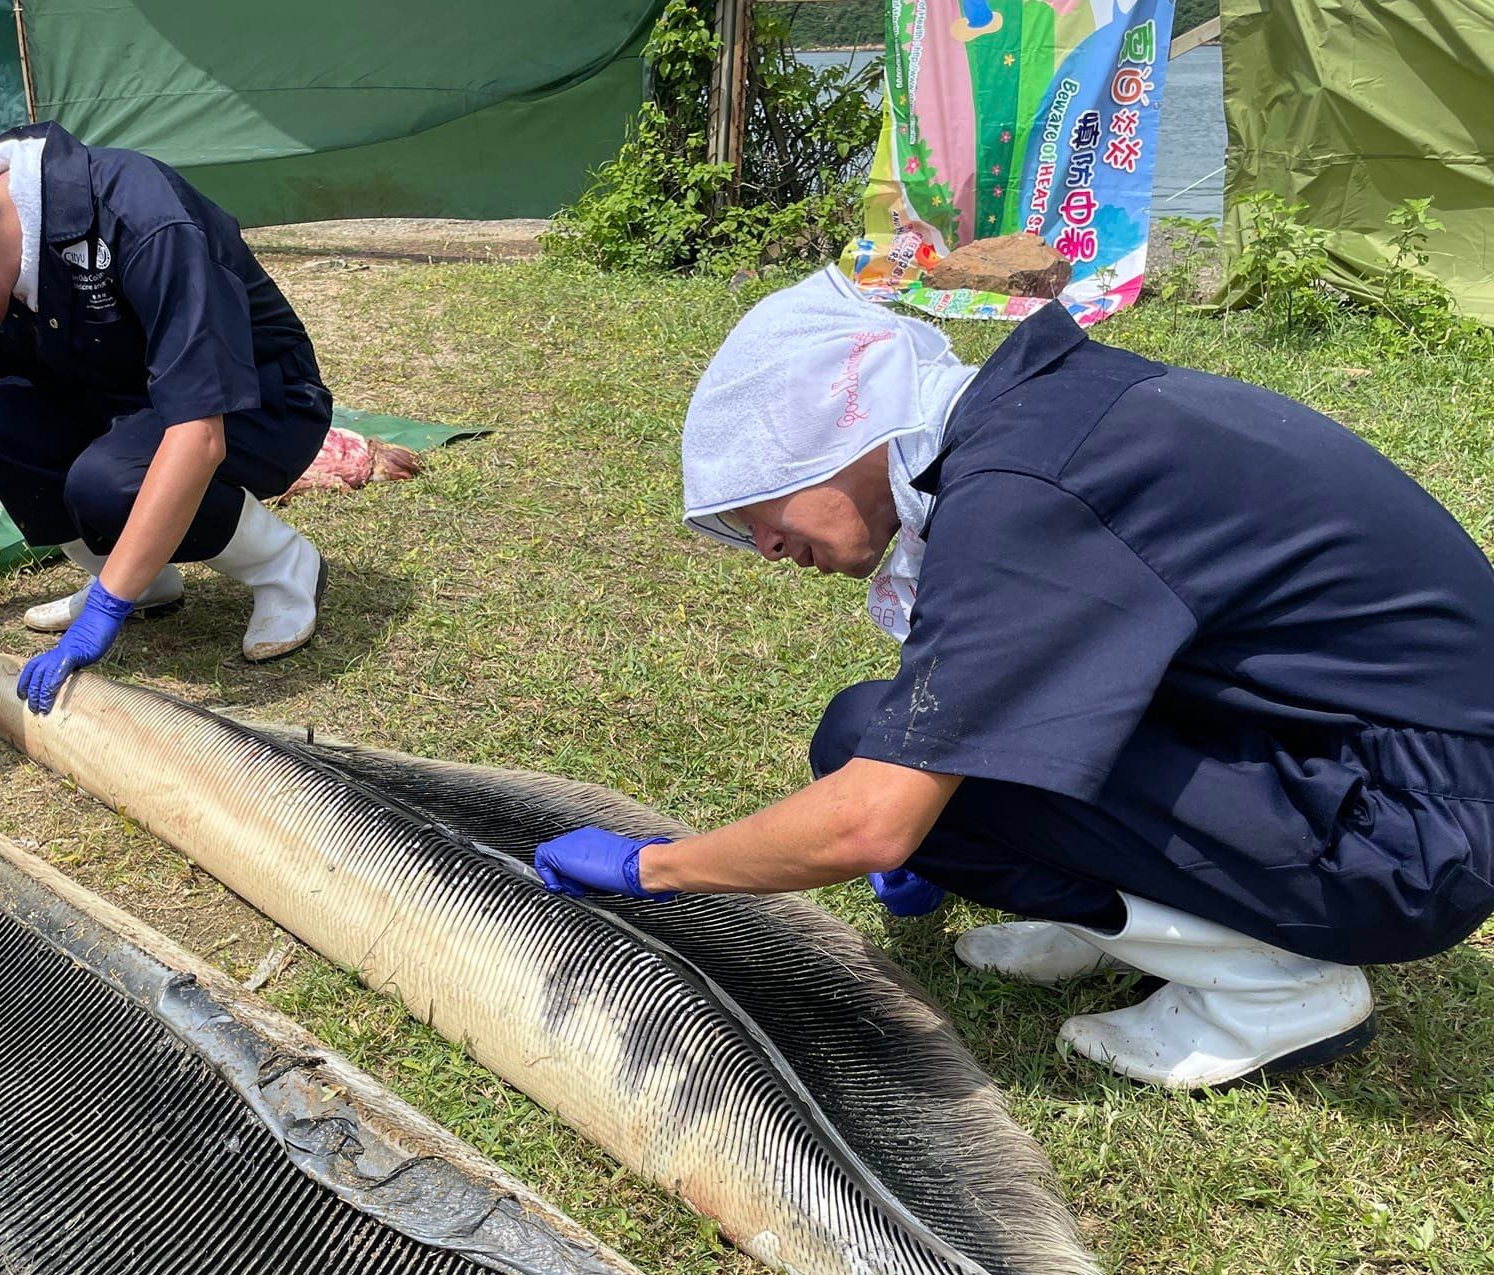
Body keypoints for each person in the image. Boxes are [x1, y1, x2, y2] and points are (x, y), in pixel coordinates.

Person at [533, 266, 1494, 1091]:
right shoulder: (1041, 418)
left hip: (1409, 844)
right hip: (1364, 760)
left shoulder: (1027, 492)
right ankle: (1132, 922)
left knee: (876, 759)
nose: (767, 546)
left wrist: (652, 869)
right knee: (891, 734)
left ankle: (1273, 988)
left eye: (762, 506)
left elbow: (870, 823)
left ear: (838, 434)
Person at [0, 126, 334, 714]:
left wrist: (104, 610)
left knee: (108, 484)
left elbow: (197, 434)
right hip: (125, 399)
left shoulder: (138, 218)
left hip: (258, 405)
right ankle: (141, 580)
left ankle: (282, 565)